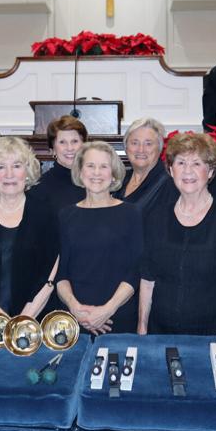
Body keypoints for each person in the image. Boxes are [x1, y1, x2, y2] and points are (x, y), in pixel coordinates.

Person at [138, 133, 216, 335]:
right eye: (181, 163)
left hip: (210, 337)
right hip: (159, 335)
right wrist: (142, 329)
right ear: (171, 170)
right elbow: (147, 280)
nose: (188, 171)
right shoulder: (157, 217)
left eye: (197, 163)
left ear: (210, 171)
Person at [0, 137, 58, 318]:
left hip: (35, 318)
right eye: (1, 167)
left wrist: (24, 319)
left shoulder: (46, 215)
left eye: (16, 166)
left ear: (27, 171)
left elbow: (49, 274)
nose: (9, 174)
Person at [56, 142, 141, 335]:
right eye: (90, 166)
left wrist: (107, 310)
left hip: (118, 317)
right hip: (76, 320)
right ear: (80, 172)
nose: (96, 173)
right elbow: (60, 273)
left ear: (113, 174)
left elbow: (135, 270)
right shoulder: (65, 215)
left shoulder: (131, 213)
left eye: (104, 166)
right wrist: (76, 308)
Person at [28, 115, 87, 214]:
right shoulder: (39, 188)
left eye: (75, 141)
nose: (69, 148)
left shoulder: (96, 181)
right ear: (53, 149)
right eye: (62, 142)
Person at [115, 117, 175, 211]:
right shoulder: (121, 178)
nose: (141, 150)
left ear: (159, 148)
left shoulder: (169, 183)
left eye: (148, 144)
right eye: (134, 143)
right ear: (126, 147)